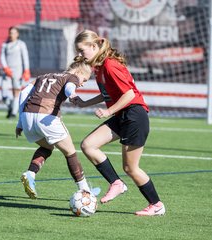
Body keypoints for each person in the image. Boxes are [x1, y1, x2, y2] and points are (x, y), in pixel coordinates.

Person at [71, 29, 165, 216]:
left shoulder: (110, 65)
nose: (80, 55)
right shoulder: (99, 67)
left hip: (134, 115)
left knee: (131, 167)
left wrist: (108, 111)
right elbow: (108, 93)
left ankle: (156, 205)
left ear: (94, 46)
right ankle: (117, 183)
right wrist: (84, 104)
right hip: (123, 115)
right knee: (88, 145)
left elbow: (129, 94)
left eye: (82, 50)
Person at [15, 58, 100, 199]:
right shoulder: (71, 77)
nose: (83, 84)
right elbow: (69, 88)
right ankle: (85, 190)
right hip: (46, 117)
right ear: (79, 71)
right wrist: (72, 95)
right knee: (70, 152)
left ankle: (30, 174)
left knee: (47, 147)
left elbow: (24, 93)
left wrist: (19, 122)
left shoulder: (44, 76)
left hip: (27, 116)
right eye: (84, 79)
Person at [0, 26, 31, 119]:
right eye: (10, 33)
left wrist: (26, 70)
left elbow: (25, 58)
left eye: (13, 33)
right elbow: (2, 57)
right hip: (8, 71)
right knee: (3, 90)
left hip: (18, 71)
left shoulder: (21, 44)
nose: (11, 35)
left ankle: (13, 113)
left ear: (17, 34)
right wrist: (5, 67)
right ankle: (10, 106)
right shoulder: (5, 45)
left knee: (16, 91)